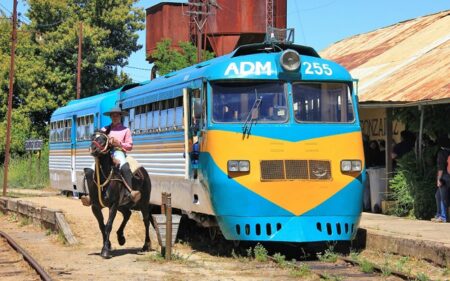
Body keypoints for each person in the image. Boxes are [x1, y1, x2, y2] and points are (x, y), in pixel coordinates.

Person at [432, 135, 450, 223]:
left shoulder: (442, 153)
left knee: (443, 198)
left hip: (445, 177)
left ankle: (444, 217)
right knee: (438, 195)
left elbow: (441, 168)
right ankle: (439, 214)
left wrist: (438, 179)